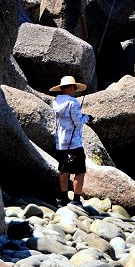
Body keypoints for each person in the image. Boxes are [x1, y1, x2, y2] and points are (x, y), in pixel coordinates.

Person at [50, 75, 91, 206]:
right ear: (71, 88)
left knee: (64, 170)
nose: (75, 91)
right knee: (80, 171)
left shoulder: (56, 102)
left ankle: (63, 199)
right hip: (74, 144)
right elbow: (78, 122)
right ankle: (76, 200)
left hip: (61, 144)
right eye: (74, 88)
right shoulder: (73, 103)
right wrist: (88, 118)